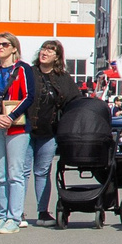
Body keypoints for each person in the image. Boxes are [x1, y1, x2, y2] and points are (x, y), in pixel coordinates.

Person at [0, 34, 36, 233]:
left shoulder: (23, 69)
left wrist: (11, 116)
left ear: (14, 48)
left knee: (15, 173)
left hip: (17, 127)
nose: (0, 47)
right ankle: (2, 215)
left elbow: (29, 96)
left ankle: (15, 216)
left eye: (4, 44)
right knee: (0, 174)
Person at [26, 40, 78, 224]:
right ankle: (17, 213)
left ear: (57, 56)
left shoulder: (63, 78)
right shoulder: (28, 73)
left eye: (50, 50)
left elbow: (74, 102)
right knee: (22, 172)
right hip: (25, 130)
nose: (45, 52)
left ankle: (42, 212)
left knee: (42, 172)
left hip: (49, 132)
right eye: (43, 48)